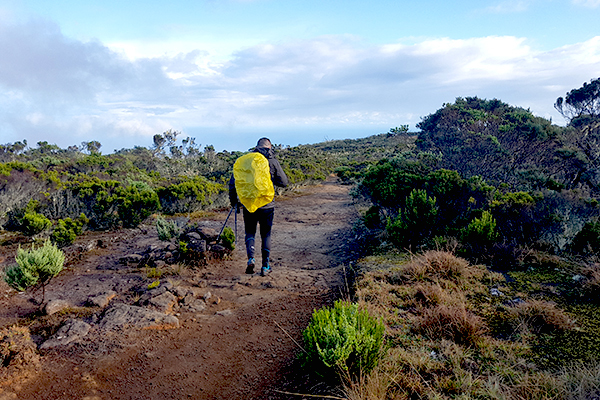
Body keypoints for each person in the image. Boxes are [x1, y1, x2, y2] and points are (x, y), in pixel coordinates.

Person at [229, 137, 289, 276]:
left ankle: (251, 259)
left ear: (256, 147)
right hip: (267, 205)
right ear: (269, 148)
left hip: (249, 204)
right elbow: (284, 182)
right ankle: (265, 266)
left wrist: (234, 202)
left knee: (250, 232)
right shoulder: (272, 162)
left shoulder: (245, 161)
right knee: (265, 234)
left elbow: (233, 183)